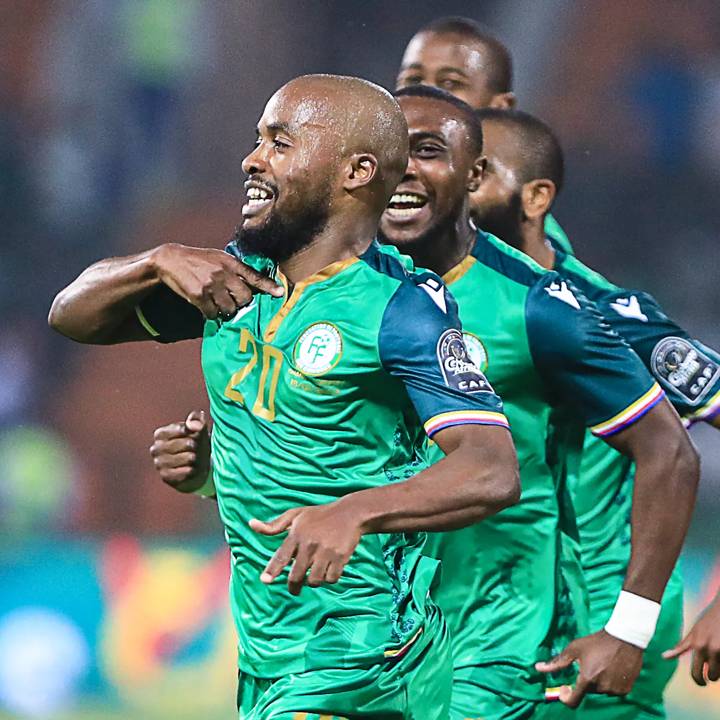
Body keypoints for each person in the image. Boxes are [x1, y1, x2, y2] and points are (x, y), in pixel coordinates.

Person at [49, 74, 521, 719]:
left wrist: (354, 512)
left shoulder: (400, 309)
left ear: (355, 172)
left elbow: (490, 467)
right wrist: (155, 261)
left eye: (280, 142)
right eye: (257, 140)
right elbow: (73, 318)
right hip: (271, 652)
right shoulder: (232, 284)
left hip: (360, 654)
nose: (253, 159)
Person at [377, 84, 699, 720]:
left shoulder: (566, 305)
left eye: (431, 146)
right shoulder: (355, 287)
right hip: (386, 632)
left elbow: (671, 451)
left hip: (525, 635)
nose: (404, 168)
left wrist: (631, 624)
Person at [472, 106, 720, 716]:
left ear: (535, 197)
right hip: (470, 623)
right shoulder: (413, 307)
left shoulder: (605, 313)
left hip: (598, 628)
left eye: (475, 170)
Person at [395, 15, 574, 255]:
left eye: (450, 83)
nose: (425, 93)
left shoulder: (517, 221)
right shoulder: (372, 186)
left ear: (500, 106)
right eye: (413, 79)